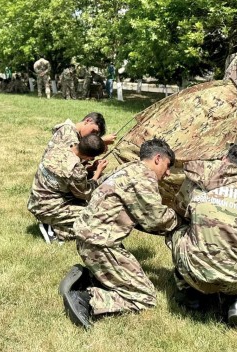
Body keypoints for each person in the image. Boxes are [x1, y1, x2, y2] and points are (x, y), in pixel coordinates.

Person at [61, 138, 180, 329]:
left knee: (131, 280)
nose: (167, 173)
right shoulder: (144, 177)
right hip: (99, 245)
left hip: (89, 238)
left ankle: (92, 277)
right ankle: (86, 298)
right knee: (145, 297)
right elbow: (156, 219)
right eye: (167, 166)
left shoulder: (128, 168)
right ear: (158, 158)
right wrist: (181, 219)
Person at [169, 144, 237, 328]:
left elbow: (179, 212)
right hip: (236, 279)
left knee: (176, 229)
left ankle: (192, 294)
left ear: (223, 160)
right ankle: (235, 302)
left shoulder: (194, 181)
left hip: (195, 273)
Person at [28, 134, 108, 241]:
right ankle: (55, 230)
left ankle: (54, 223)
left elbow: (65, 174)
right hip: (49, 208)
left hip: (36, 199)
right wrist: (98, 171)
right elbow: (85, 193)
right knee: (96, 217)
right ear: (90, 157)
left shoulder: (59, 148)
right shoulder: (75, 169)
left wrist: (89, 168)